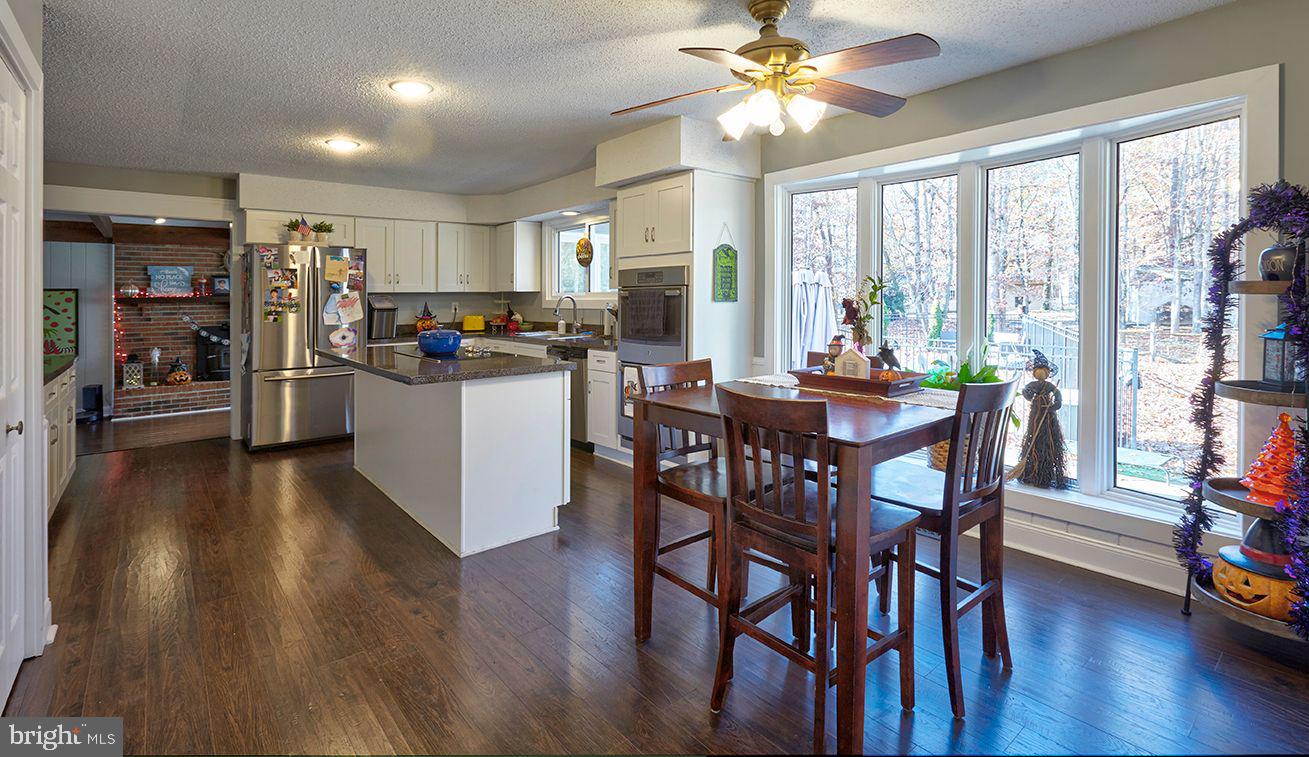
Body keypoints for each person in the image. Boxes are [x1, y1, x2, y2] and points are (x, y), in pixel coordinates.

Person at [1010, 349, 1068, 489]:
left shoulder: (1049, 386)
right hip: (1036, 415)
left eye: (1043, 370)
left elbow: (1058, 397)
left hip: (1047, 418)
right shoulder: (1034, 385)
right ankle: (1031, 472)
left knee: (1047, 440)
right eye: (1038, 370)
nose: (1041, 373)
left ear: (1048, 372)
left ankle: (1045, 474)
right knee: (1033, 437)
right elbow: (1025, 391)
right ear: (1034, 372)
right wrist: (1030, 397)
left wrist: (1053, 406)